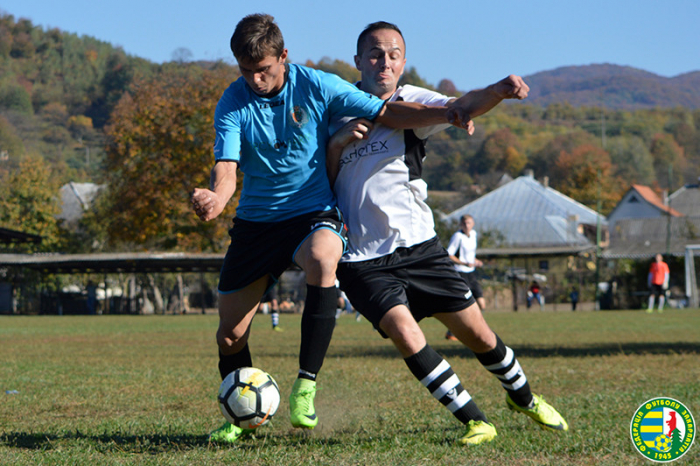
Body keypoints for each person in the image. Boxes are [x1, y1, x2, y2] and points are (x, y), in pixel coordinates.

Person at [191, 14, 476, 444]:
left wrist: (447, 111)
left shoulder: (317, 85)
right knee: (230, 334)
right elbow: (227, 168)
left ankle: (306, 385)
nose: (255, 79)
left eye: (264, 70)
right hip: (256, 222)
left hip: (311, 212)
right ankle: (239, 417)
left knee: (325, 257)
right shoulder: (233, 102)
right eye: (246, 71)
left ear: (283, 57)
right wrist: (216, 198)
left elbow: (386, 110)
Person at [328, 21, 568, 446]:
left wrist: (496, 90)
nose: (384, 61)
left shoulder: (413, 100)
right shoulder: (334, 107)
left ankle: (524, 398)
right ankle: (476, 421)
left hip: (420, 249)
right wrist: (336, 145)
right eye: (375, 53)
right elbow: (321, 178)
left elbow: (462, 105)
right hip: (362, 258)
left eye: (393, 54)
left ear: (403, 62)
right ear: (358, 60)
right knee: (406, 334)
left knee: (480, 336)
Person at [445, 214, 485, 341]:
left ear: (472, 224)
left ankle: (473, 327)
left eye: (469, 223)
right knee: (463, 305)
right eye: (464, 223)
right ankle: (452, 332)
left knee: (481, 304)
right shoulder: (457, 237)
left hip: (471, 273)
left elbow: (470, 255)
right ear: (461, 225)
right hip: (460, 273)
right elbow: (449, 255)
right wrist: (463, 263)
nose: (467, 226)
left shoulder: (473, 234)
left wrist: (476, 261)